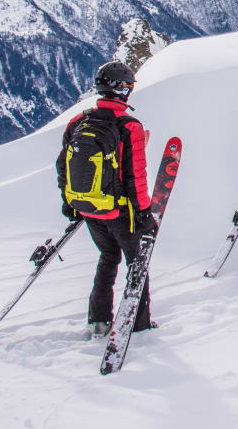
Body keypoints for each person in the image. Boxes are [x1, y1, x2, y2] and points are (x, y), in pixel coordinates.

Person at [56, 60, 157, 338]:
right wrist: (144, 212)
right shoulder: (129, 126)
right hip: (119, 212)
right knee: (137, 263)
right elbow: (135, 175)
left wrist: (70, 205)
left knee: (107, 257)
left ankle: (98, 320)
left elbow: (63, 166)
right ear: (124, 90)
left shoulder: (78, 122)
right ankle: (139, 324)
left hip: (88, 208)